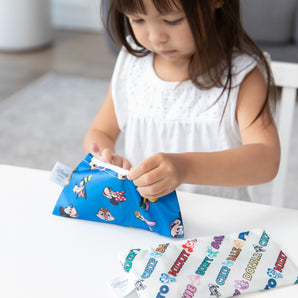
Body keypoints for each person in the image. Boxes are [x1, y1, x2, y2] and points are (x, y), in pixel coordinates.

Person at [84, 0, 280, 202]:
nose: (156, 38)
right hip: (149, 220)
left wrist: (185, 167)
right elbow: (101, 132)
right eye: (138, 19)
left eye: (172, 20)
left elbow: (266, 161)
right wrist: (105, 160)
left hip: (220, 223)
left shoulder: (242, 76)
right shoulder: (131, 64)